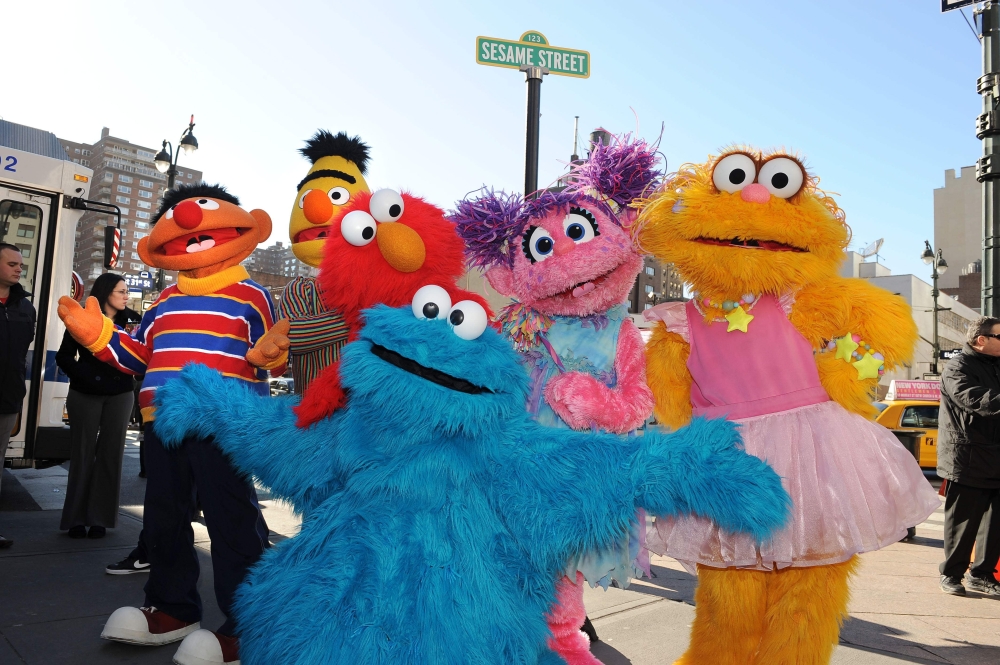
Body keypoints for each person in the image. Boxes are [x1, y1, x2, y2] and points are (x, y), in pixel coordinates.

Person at [56, 273, 136, 539]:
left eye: (126, 292)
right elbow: (64, 356)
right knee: (82, 454)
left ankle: (100, 519)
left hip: (120, 394)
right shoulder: (85, 319)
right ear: (106, 293)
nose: (126, 296)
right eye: (121, 291)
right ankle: (76, 519)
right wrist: (85, 377)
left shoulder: (133, 322)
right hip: (85, 393)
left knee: (110, 455)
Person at [938, 316, 1000, 596]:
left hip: (996, 455)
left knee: (995, 523)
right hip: (968, 457)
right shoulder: (957, 366)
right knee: (963, 521)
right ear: (982, 340)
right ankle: (952, 574)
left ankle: (982, 574)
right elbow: (973, 399)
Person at [0, 243, 35, 549]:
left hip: (7, 399)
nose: (18, 268)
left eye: (20, 265)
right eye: (11, 263)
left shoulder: (25, 307)